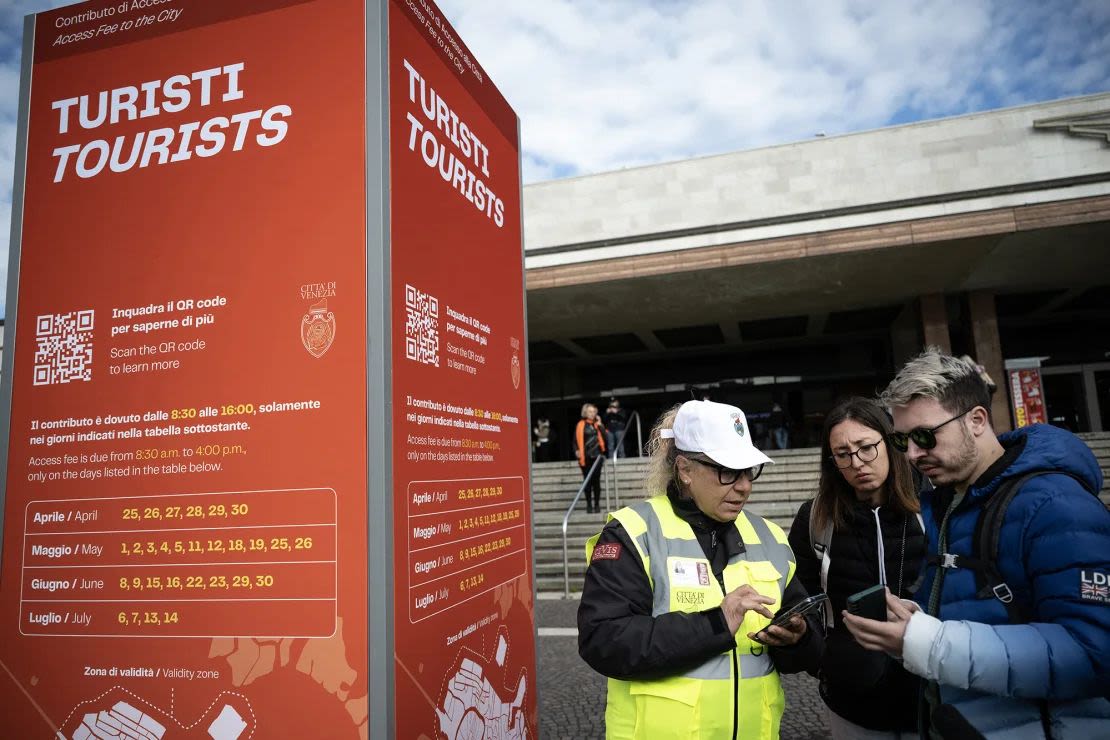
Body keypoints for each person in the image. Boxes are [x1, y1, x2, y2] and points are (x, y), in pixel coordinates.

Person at [844, 349, 1110, 739]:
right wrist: (915, 622)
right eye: (903, 441)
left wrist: (928, 642)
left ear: (977, 420)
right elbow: (990, 613)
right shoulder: (951, 501)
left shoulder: (1056, 504)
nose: (914, 454)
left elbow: (1094, 652)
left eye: (925, 436)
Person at [578, 400, 823, 739]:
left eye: (748, 471)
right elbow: (604, 641)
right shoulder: (633, 532)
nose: (744, 486)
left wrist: (799, 639)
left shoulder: (769, 537)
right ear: (685, 470)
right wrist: (716, 624)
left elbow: (807, 650)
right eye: (727, 471)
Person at [788, 397, 927, 738]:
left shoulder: (933, 505)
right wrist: (824, 660)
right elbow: (799, 596)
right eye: (843, 454)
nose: (858, 463)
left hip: (930, 689)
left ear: (890, 442)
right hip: (851, 697)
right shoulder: (816, 518)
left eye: (867, 448)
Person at [575, 403, 607, 513]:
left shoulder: (597, 425)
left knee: (596, 481)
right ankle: (589, 504)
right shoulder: (580, 424)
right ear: (585, 412)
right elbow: (575, 440)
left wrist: (600, 425)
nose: (592, 414)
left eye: (594, 412)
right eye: (590, 411)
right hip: (586, 457)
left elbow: (605, 438)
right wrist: (576, 450)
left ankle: (597, 504)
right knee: (587, 482)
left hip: (597, 457)